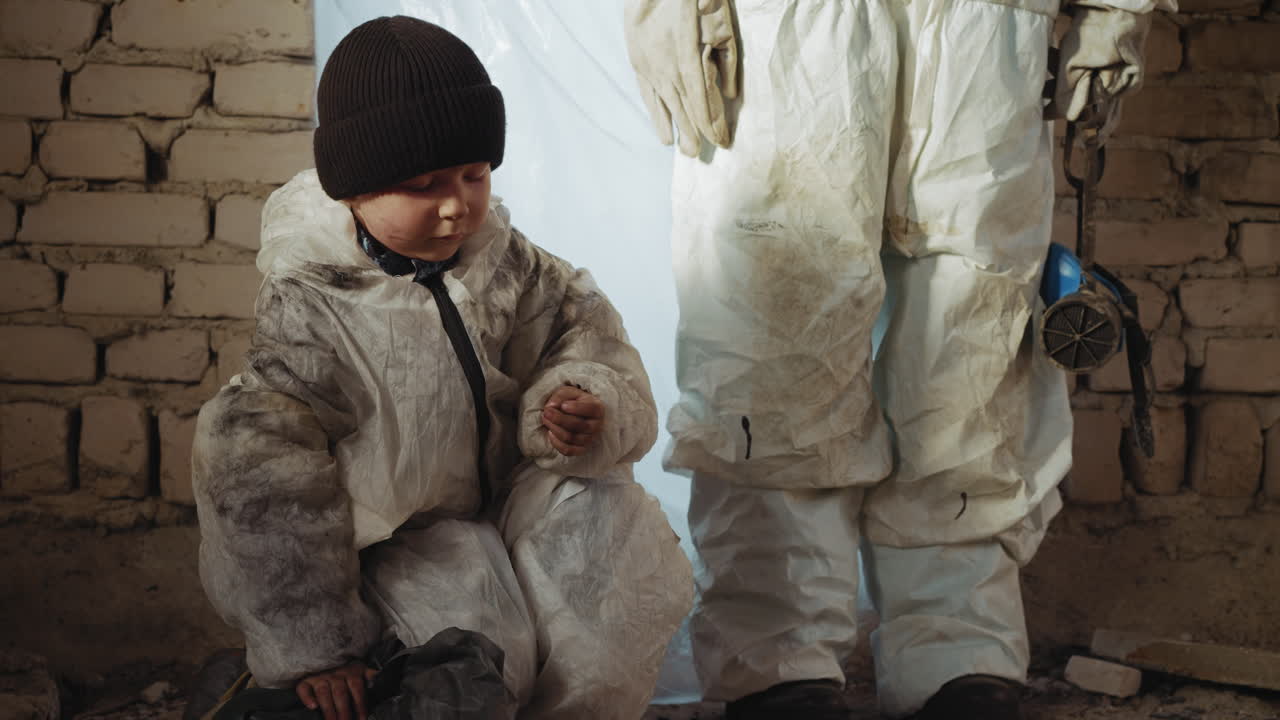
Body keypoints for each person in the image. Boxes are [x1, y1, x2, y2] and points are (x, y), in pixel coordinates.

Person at [624, 0, 1169, 717]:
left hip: (987, 25)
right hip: (783, 26)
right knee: (772, 333)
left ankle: (958, 655)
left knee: (972, 340)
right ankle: (778, 667)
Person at [192, 15, 692, 720]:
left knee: (603, 540)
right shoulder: (315, 304)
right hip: (401, 545)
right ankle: (282, 699)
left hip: (508, 509)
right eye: (424, 184)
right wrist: (315, 642)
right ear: (353, 191)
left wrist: (579, 400)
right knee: (485, 653)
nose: (458, 205)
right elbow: (263, 469)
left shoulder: (509, 266)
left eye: (474, 174)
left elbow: (584, 337)